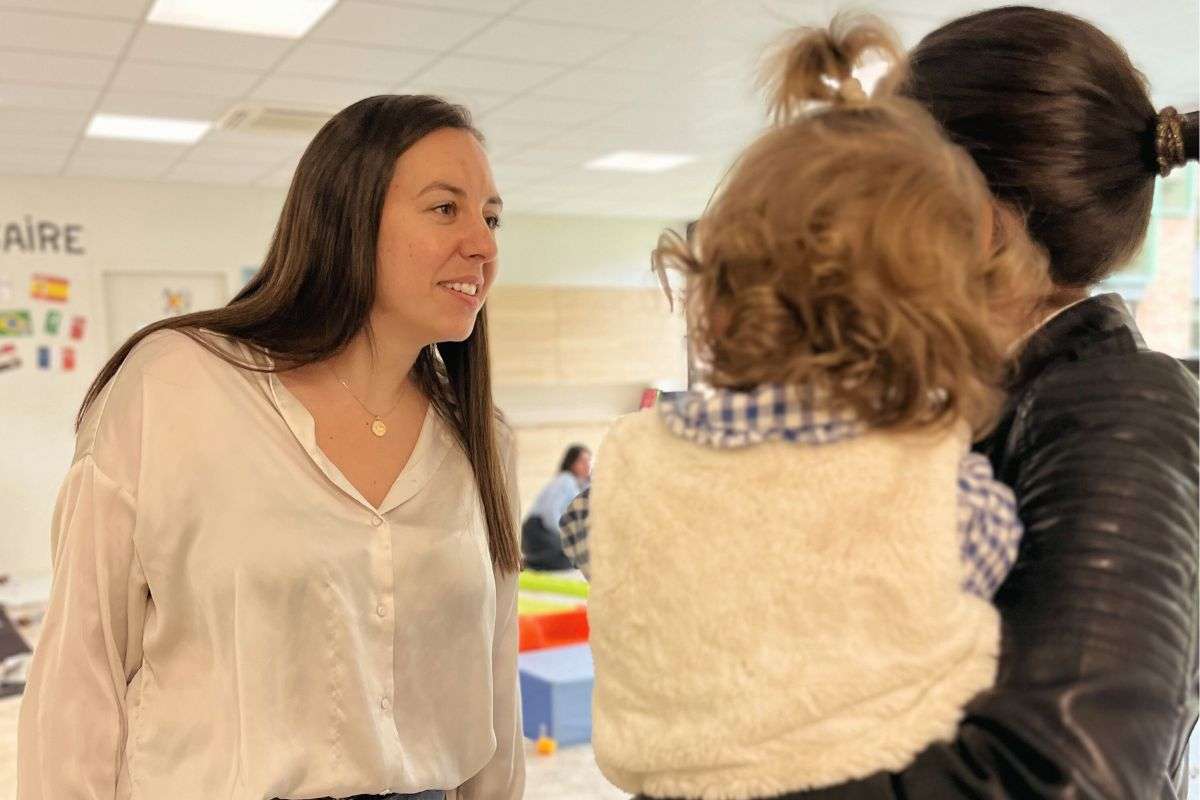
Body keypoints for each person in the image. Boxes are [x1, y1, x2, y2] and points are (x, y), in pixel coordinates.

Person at [566, 17, 1054, 799]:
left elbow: (596, 540)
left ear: (718, 296)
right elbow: (988, 574)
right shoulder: (943, 491)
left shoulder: (629, 464)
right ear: (942, 320)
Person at [17, 95, 525, 800]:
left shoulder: (483, 439)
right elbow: (82, 668)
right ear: (347, 218)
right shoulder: (176, 384)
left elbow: (494, 683)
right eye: (447, 209)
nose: (485, 244)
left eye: (492, 217)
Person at [763, 8, 1200, 800]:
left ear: (980, 225)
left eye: (887, 192)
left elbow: (1066, 778)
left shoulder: (1119, 407)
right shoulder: (1005, 403)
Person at [521, 445, 591, 570]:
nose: (587, 465)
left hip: (547, 532)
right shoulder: (566, 480)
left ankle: (533, 561)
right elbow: (550, 513)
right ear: (572, 463)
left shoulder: (577, 486)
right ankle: (528, 562)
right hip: (537, 530)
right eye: (582, 461)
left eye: (588, 461)